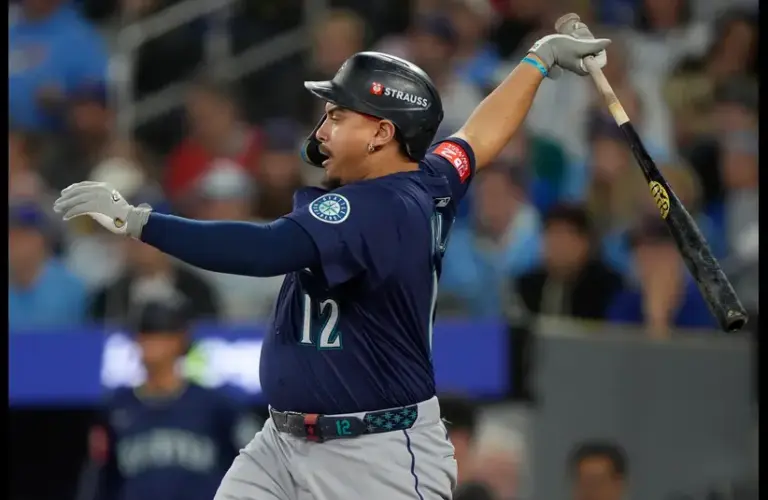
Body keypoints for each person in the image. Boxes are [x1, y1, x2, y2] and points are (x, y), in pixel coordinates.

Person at [55, 28, 611, 500]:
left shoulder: (373, 208)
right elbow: (477, 137)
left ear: (381, 133)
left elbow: (262, 250)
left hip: (375, 460)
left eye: (339, 114)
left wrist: (141, 222)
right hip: (282, 445)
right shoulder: (429, 179)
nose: (322, 130)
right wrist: (538, 61)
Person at [86, 300, 259, 500]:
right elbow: (101, 480)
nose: (151, 344)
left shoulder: (215, 405)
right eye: (145, 336)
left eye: (160, 336)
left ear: (180, 340)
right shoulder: (116, 407)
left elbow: (255, 461)